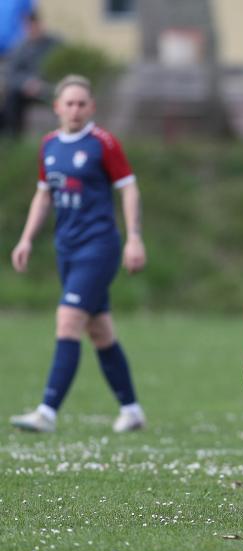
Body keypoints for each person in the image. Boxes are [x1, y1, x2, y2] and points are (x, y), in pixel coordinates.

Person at [10, 74, 147, 434]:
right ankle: (131, 410)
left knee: (68, 320)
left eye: (81, 103)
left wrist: (134, 237)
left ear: (91, 107)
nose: (74, 109)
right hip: (66, 249)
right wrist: (26, 239)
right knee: (100, 331)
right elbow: (44, 195)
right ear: (56, 107)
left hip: (98, 247)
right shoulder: (49, 145)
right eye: (68, 103)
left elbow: (128, 188)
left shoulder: (103, 143)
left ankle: (47, 412)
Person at [1, 11, 60, 137]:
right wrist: (26, 83)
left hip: (50, 89)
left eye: (33, 26)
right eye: (28, 27)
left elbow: (61, 69)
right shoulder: (20, 47)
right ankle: (13, 137)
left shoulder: (55, 44)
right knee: (11, 98)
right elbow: (11, 73)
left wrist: (43, 85)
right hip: (27, 91)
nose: (31, 30)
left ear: (40, 25)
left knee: (63, 99)